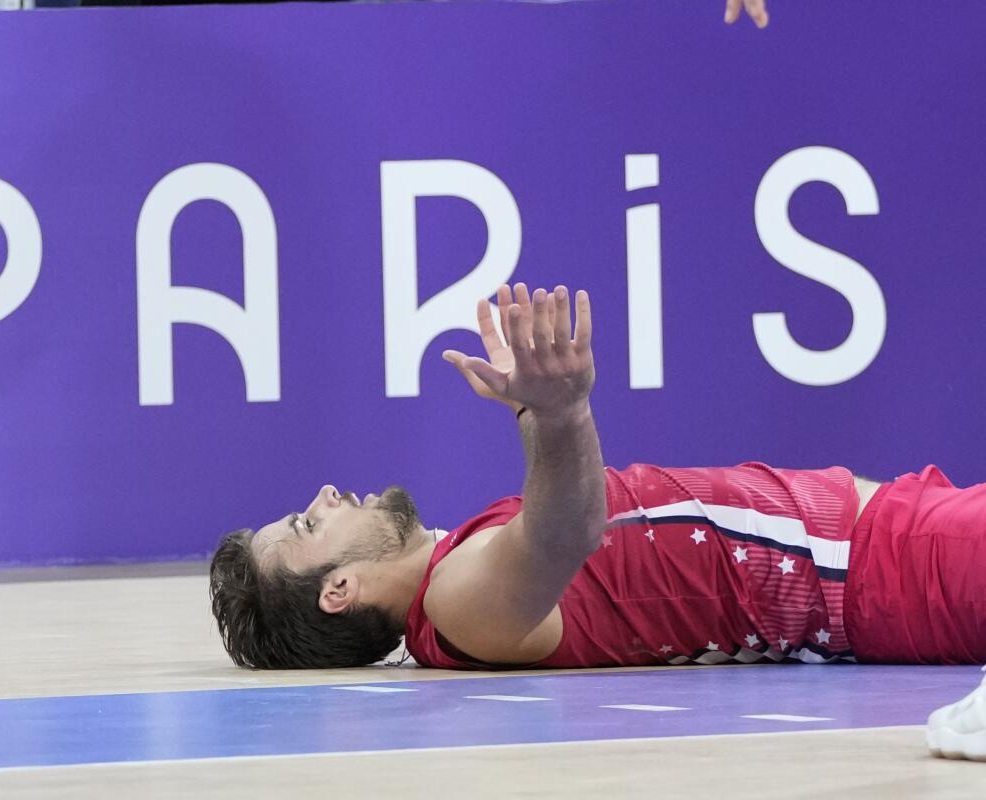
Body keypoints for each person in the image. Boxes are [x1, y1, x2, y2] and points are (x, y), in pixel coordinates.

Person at [210, 281, 986, 677]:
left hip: (883, 537)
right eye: (309, 527)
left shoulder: (461, 572)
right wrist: (560, 414)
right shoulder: (457, 606)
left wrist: (534, 414)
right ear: (337, 591)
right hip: (877, 570)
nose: (324, 498)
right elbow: (566, 534)